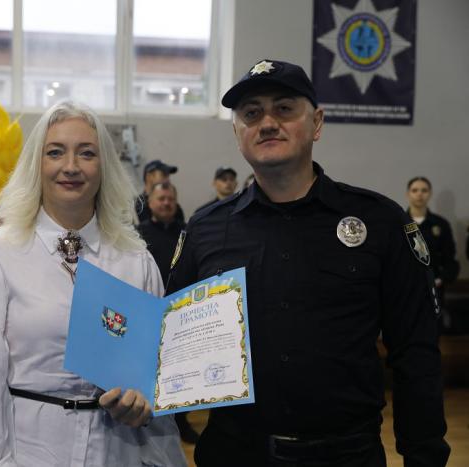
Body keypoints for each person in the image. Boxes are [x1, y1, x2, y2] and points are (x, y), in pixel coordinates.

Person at [167, 59, 450, 466]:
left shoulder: (380, 223)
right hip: (234, 453)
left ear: (317, 123)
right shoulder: (205, 228)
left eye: (284, 109)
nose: (267, 123)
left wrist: (424, 457)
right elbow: (171, 343)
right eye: (251, 113)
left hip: (344, 455)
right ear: (237, 133)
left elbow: (415, 352)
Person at [0, 100, 186, 467]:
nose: (71, 166)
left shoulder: (135, 261)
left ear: (104, 166)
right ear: (36, 164)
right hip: (30, 453)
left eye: (86, 153)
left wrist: (145, 405)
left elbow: (156, 379)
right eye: (55, 152)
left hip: (117, 452)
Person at [137, 182, 199, 444]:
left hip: (181, 312)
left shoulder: (188, 233)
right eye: (161, 199)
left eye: (170, 199)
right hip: (148, 311)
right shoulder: (137, 235)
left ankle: (181, 422)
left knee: (181, 372)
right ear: (150, 202)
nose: (166, 203)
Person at [406, 176, 460, 329]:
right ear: (408, 194)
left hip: (434, 290)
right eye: (415, 190)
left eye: (424, 190)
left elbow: (450, 259)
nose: (419, 194)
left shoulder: (440, 224)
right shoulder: (399, 223)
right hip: (406, 289)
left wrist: (440, 279)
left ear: (430, 194)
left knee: (433, 330)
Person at [136, 159, 185, 223]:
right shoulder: (138, 206)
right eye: (164, 175)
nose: (167, 180)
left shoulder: (174, 207)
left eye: (168, 176)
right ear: (150, 176)